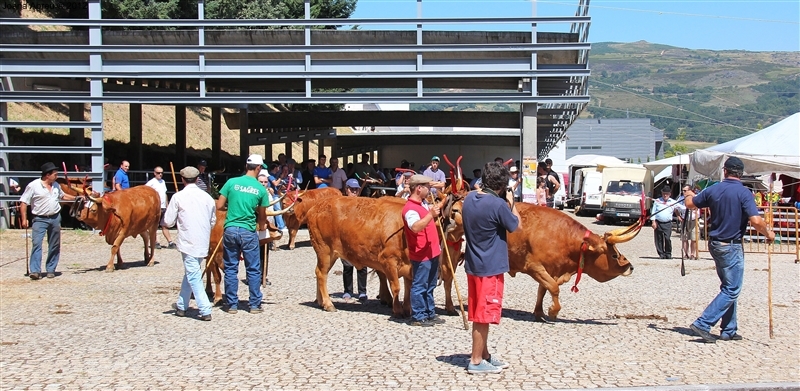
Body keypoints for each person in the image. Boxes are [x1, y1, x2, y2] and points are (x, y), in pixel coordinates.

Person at [685, 157, 774, 343]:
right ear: (741, 174)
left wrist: (688, 193)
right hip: (731, 245)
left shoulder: (714, 189)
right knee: (732, 289)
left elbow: (690, 204)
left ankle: (729, 329)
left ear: (725, 171)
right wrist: (768, 233)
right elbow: (756, 221)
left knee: (728, 286)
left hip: (715, 243)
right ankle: (703, 323)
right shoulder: (744, 192)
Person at [461, 162, 520, 374]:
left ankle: (484, 354)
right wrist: (511, 202)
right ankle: (476, 360)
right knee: (483, 316)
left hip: (474, 264)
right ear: (503, 184)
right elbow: (516, 225)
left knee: (478, 311)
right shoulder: (498, 205)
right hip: (491, 267)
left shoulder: (469, 200)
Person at [216, 154, 271, 314]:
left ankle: (232, 304)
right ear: (259, 168)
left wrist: (232, 208)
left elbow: (219, 205)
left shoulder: (231, 182)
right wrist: (262, 227)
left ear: (247, 166)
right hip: (248, 230)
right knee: (253, 268)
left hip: (231, 228)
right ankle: (254, 304)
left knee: (231, 267)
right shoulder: (260, 189)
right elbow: (262, 216)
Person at [164, 166, 216, 321]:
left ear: (182, 179)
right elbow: (212, 221)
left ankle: (205, 308)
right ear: (197, 179)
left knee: (193, 275)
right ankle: (181, 305)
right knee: (191, 272)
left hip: (188, 241)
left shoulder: (178, 197)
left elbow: (168, 221)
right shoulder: (207, 197)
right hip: (203, 240)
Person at [18, 162, 77, 280]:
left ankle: (51, 269)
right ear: (47, 175)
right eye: (55, 174)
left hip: (55, 217)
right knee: (37, 243)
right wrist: (24, 219)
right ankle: (35, 270)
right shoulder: (33, 186)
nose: (56, 176)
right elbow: (24, 202)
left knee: (54, 244)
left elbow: (62, 196)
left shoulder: (56, 185)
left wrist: (76, 198)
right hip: (39, 219)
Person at [401, 175, 444, 327]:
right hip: (421, 253)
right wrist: (430, 215)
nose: (429, 189)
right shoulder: (409, 209)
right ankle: (418, 316)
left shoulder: (424, 203)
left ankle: (429, 312)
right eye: (426, 186)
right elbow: (415, 227)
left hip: (432, 251)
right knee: (420, 285)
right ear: (419, 188)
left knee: (430, 284)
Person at [341, 178, 368, 302]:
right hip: (346, 238)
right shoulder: (341, 204)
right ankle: (348, 291)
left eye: (356, 189)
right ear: (346, 190)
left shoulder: (363, 204)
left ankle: (362, 291)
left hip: (361, 237)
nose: (354, 192)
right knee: (347, 266)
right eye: (352, 189)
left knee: (362, 265)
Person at [145, 166, 176, 250]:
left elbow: (164, 193)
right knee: (154, 226)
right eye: (158, 173)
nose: (160, 174)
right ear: (154, 173)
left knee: (164, 225)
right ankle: (156, 242)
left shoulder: (163, 182)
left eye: (162, 173)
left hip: (163, 207)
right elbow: (145, 193)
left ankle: (170, 242)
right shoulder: (151, 183)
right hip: (155, 207)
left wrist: (167, 204)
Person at [650, 186, 678, 259]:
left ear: (670, 194)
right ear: (662, 194)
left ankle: (668, 253)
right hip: (658, 222)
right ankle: (661, 254)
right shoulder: (657, 201)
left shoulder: (673, 202)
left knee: (667, 238)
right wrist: (653, 221)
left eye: (667, 194)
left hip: (668, 223)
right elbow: (653, 211)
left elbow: (680, 207)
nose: (665, 195)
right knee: (658, 239)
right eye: (664, 194)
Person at [675, 185, 699, 260]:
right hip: (684, 219)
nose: (683, 192)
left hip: (693, 219)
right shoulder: (681, 198)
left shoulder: (695, 197)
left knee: (693, 238)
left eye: (685, 190)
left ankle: (692, 254)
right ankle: (686, 254)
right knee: (684, 238)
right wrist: (678, 216)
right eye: (683, 190)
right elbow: (676, 208)